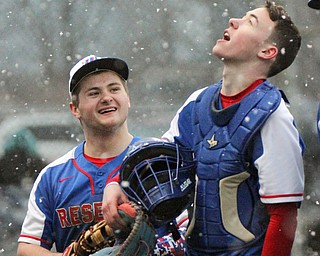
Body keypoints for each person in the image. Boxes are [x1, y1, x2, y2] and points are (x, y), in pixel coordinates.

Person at [102, 1, 305, 255]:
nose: (234, 21)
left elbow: (283, 216)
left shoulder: (273, 116)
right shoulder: (198, 103)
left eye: (250, 22)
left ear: (267, 51)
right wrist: (116, 185)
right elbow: (158, 162)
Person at [17, 55, 187, 256]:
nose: (106, 97)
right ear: (75, 109)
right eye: (94, 92)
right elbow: (26, 250)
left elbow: (188, 233)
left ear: (127, 98)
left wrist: (156, 249)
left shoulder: (156, 159)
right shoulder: (53, 176)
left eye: (114, 89)